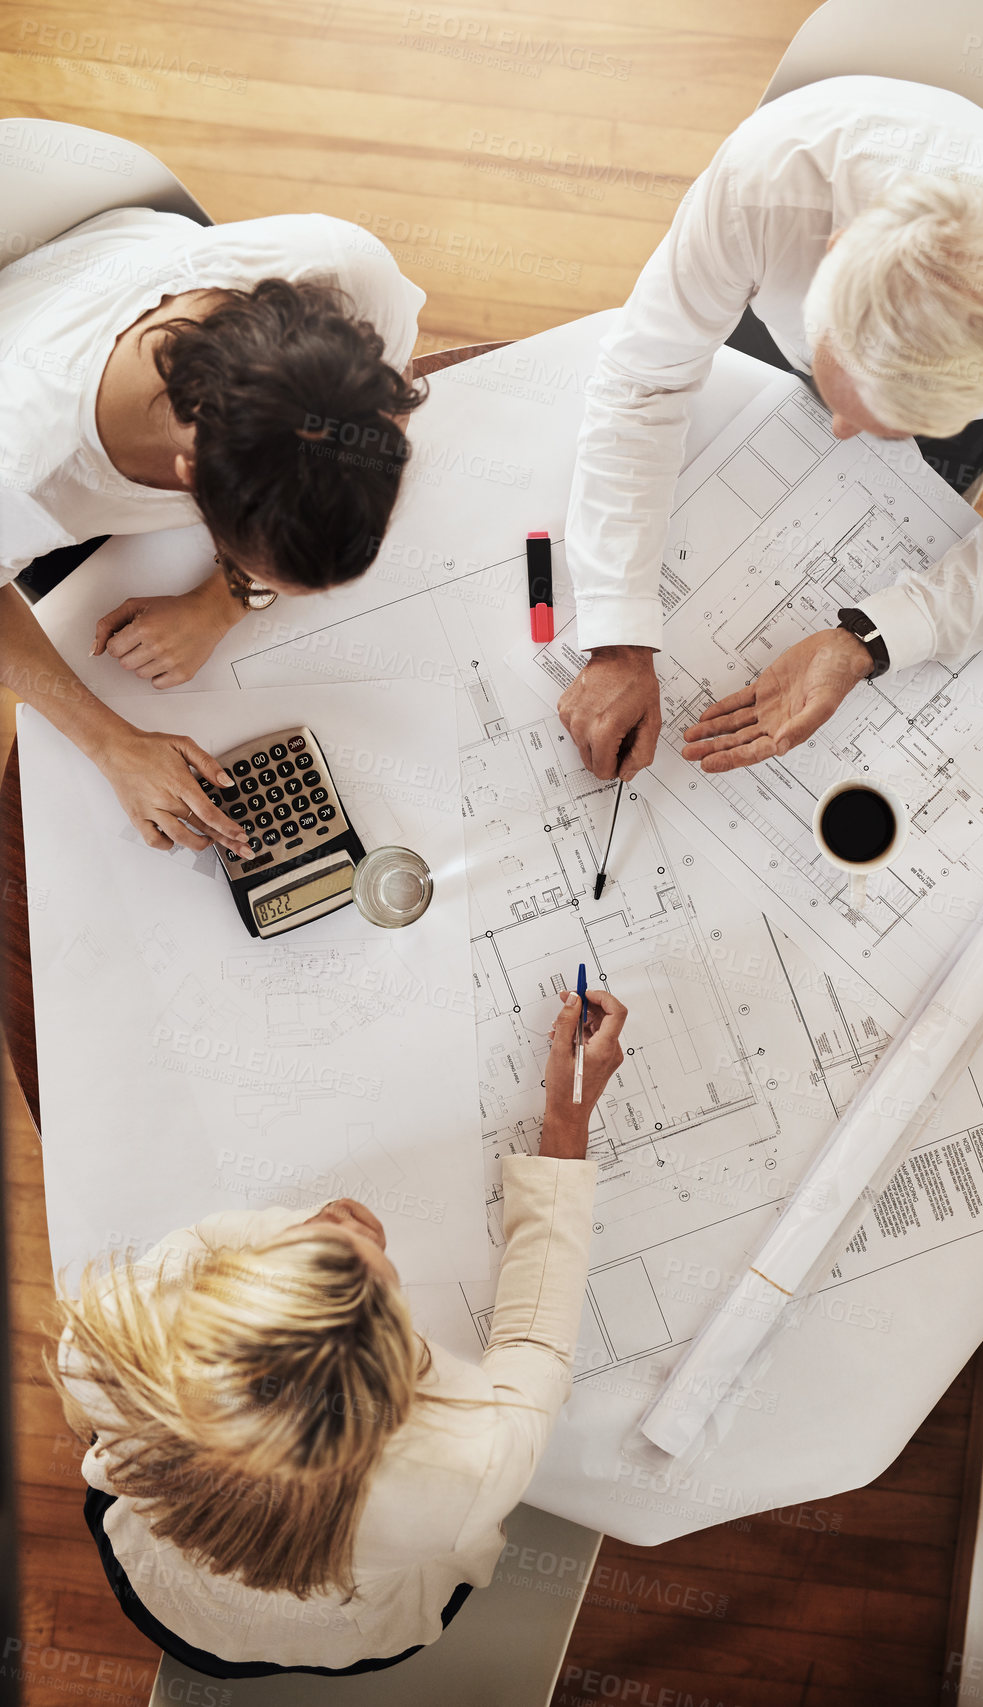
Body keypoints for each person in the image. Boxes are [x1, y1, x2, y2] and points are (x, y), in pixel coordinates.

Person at [555, 75, 983, 781]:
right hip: (778, 285)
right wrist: (618, 631)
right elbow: (642, 378)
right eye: (841, 397)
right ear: (836, 249)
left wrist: (867, 638)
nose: (838, 430)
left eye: (885, 426)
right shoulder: (763, 185)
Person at [52, 986, 626, 1678]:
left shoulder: (114, 1343)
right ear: (405, 1380)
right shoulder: (466, 1470)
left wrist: (294, 1236)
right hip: (357, 1627)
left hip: (163, 1594)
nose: (352, 1222)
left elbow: (199, 1242)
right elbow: (534, 1344)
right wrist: (566, 1126)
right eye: (390, 1298)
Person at [1, 207, 425, 853]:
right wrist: (111, 743)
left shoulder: (349, 276)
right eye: (246, 564)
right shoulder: (23, 471)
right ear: (187, 478)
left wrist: (223, 601)